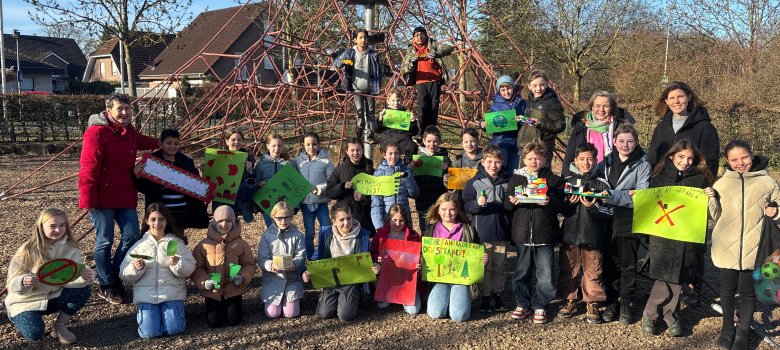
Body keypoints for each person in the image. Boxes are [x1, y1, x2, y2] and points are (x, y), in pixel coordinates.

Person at [78, 92, 160, 305]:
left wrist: (166, 143)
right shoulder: (96, 133)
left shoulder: (128, 131)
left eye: (127, 109)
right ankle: (106, 284)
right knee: (104, 240)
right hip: (102, 196)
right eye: (119, 109)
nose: (124, 113)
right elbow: (89, 167)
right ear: (108, 111)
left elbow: (143, 141)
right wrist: (87, 200)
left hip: (124, 194)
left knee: (132, 235)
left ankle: (116, 274)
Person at [708, 140, 780, 349]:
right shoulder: (721, 183)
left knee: (748, 292)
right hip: (726, 246)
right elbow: (714, 215)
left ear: (752, 155)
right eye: (734, 160)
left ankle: (744, 332)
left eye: (744, 158)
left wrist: (775, 212)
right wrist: (711, 198)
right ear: (728, 162)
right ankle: (727, 328)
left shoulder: (768, 182)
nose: (740, 163)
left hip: (754, 247)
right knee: (727, 289)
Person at [641, 140, 714, 337]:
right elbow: (650, 205)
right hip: (663, 233)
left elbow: (706, 212)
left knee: (678, 274)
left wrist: (711, 195)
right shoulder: (658, 177)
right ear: (672, 156)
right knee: (666, 273)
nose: (685, 161)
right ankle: (666, 315)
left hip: (686, 234)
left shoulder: (700, 179)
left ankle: (655, 314)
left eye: (690, 158)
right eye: (681, 157)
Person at [5, 208, 94, 344]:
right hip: (26, 300)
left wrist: (83, 275)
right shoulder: (28, 249)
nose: (58, 230)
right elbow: (11, 283)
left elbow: (71, 277)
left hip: (53, 296)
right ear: (41, 227)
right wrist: (22, 282)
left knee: (84, 290)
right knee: (35, 335)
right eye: (52, 226)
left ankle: (60, 326)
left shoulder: (71, 248)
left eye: (62, 225)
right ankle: (15, 314)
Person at [505, 141, 565, 324]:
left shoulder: (553, 180)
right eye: (530, 158)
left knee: (545, 274)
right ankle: (523, 303)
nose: (533, 162)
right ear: (524, 159)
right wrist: (512, 202)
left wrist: (551, 202)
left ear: (545, 160)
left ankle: (540, 304)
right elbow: (506, 205)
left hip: (544, 234)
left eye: (537, 158)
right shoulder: (516, 179)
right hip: (522, 234)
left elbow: (564, 205)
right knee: (521, 272)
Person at [120, 203, 196, 339]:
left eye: (161, 219)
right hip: (146, 296)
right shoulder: (139, 246)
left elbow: (190, 268)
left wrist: (178, 264)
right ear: (146, 221)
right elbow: (123, 273)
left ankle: (167, 317)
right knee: (149, 333)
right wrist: (135, 268)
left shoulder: (175, 243)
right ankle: (153, 318)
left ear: (167, 221)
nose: (157, 223)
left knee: (175, 329)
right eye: (153, 219)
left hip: (171, 294)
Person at [600, 124, 651, 324]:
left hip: (629, 220)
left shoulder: (643, 164)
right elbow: (596, 187)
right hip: (606, 219)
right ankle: (612, 300)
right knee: (610, 262)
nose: (625, 145)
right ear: (614, 142)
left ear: (636, 142)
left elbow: (641, 196)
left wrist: (611, 196)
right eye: (621, 141)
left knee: (628, 264)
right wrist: (624, 194)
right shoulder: (604, 162)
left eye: (630, 141)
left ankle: (627, 301)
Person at [557, 143, 612, 324]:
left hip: (593, 236)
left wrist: (592, 207)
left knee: (593, 270)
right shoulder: (567, 181)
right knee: (569, 268)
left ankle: (592, 301)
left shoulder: (602, 183)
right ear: (575, 161)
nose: (586, 162)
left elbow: (608, 211)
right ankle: (570, 299)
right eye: (582, 159)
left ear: (596, 160)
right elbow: (560, 209)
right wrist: (569, 204)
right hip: (570, 235)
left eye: (590, 159)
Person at [303, 205, 378, 321]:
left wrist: (375, 265)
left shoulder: (362, 235)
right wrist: (309, 270)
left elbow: (369, 257)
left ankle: (355, 298)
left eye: (348, 218)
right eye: (341, 220)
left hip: (351, 281)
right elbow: (317, 255)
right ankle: (330, 298)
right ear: (333, 222)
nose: (346, 223)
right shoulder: (327, 234)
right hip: (331, 280)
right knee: (324, 314)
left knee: (345, 316)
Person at [462, 145, 511, 313]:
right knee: (485, 265)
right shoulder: (474, 183)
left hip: (502, 231)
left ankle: (497, 294)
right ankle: (485, 296)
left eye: (497, 162)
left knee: (500, 266)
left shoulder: (508, 181)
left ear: (502, 162)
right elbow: (466, 205)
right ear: (482, 162)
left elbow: (511, 205)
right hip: (481, 232)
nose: (493, 165)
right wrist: (476, 204)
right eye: (489, 162)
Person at [424, 192, 486, 322]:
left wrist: (482, 260)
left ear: (458, 211)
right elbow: (424, 255)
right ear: (438, 211)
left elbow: (476, 253)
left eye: (452, 209)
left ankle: (456, 299)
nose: (448, 213)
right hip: (439, 278)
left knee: (459, 316)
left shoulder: (468, 230)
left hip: (461, 279)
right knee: (435, 313)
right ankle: (446, 299)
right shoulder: (430, 230)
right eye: (444, 209)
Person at [192, 205, 257, 327]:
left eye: (228, 221)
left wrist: (242, 277)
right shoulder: (204, 244)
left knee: (234, 321)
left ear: (234, 222)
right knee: (214, 322)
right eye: (220, 221)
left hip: (233, 288)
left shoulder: (241, 244)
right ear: (214, 222)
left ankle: (231, 308)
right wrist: (204, 281)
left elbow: (249, 264)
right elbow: (197, 267)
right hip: (213, 290)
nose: (224, 224)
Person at [135, 129, 209, 230]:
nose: (172, 146)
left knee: (176, 242)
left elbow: (195, 185)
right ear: (161, 143)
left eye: (176, 144)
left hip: (180, 212)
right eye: (169, 143)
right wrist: (137, 176)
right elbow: (143, 188)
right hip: (160, 212)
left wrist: (207, 191)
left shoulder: (186, 162)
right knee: (158, 240)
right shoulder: (152, 162)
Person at [646, 81, 720, 177]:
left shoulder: (705, 128)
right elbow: (653, 159)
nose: (676, 101)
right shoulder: (661, 128)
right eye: (672, 98)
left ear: (689, 97)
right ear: (666, 101)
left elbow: (710, 161)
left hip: (692, 186)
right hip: (663, 185)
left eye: (680, 97)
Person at [562, 91, 635, 178]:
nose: (601, 110)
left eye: (606, 106)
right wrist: (566, 179)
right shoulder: (581, 128)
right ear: (591, 107)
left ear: (612, 108)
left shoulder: (621, 129)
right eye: (597, 106)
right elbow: (569, 157)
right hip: (584, 177)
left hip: (613, 177)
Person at [400, 26, 454, 139]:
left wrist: (436, 53)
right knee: (422, 107)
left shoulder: (432, 44)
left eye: (421, 34)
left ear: (426, 35)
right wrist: (411, 64)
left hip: (434, 79)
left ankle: (432, 132)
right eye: (416, 35)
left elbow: (449, 48)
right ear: (413, 39)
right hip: (420, 81)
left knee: (434, 106)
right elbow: (403, 68)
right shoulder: (411, 50)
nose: (419, 37)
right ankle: (421, 133)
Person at [370, 204, 423, 314]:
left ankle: (405, 296)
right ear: (389, 219)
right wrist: (377, 260)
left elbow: (419, 256)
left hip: (407, 278)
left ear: (406, 220)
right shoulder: (381, 234)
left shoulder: (413, 236)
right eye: (394, 220)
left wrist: (418, 265)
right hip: (387, 277)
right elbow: (372, 253)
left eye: (401, 220)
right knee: (383, 305)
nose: (397, 224)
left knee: (413, 310)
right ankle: (388, 295)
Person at [258, 202, 306, 319]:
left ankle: (291, 300)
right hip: (273, 278)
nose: (283, 221)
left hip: (292, 278)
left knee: (291, 314)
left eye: (287, 217)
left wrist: (294, 264)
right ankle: (278, 301)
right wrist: (270, 266)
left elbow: (301, 256)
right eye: (279, 218)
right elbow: (262, 259)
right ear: (273, 217)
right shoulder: (267, 236)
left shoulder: (298, 235)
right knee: (272, 314)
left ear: (291, 217)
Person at [334, 29, 383, 143]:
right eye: (360, 37)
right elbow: (336, 63)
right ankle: (359, 134)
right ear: (355, 40)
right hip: (356, 89)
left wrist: (378, 85)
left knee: (371, 112)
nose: (363, 40)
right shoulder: (350, 53)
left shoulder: (373, 54)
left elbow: (378, 72)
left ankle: (370, 136)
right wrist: (344, 62)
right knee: (359, 112)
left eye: (365, 37)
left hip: (370, 89)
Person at [292, 132, 335, 259]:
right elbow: (292, 177)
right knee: (309, 232)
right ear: (303, 145)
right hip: (306, 202)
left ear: (319, 145)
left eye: (314, 144)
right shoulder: (297, 161)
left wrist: (320, 188)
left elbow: (332, 181)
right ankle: (310, 259)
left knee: (326, 229)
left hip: (321, 201)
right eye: (308, 144)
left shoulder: (326, 161)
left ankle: (326, 255)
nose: (311, 147)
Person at [324, 137, 376, 235]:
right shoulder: (339, 170)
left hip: (365, 216)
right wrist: (342, 186)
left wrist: (364, 198)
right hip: (345, 218)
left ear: (362, 150)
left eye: (358, 150)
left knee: (364, 244)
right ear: (347, 152)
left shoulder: (369, 169)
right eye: (352, 150)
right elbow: (329, 192)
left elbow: (377, 192)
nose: (355, 153)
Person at [519, 70, 566, 165]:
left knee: (540, 177)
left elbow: (560, 125)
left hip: (543, 147)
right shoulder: (529, 101)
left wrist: (541, 124)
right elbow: (531, 122)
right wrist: (523, 119)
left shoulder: (552, 103)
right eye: (534, 85)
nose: (538, 88)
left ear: (547, 84)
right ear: (529, 86)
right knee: (524, 175)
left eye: (542, 85)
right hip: (527, 146)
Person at [370, 142, 420, 230]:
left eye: (396, 153)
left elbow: (414, 194)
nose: (393, 156)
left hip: (403, 219)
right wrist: (379, 225)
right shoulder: (379, 174)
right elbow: (376, 202)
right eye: (390, 153)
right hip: (387, 219)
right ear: (384, 155)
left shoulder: (406, 171)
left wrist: (406, 177)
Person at [410, 126, 451, 231]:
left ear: (440, 142)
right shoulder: (417, 157)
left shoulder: (445, 158)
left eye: (435, 142)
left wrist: (446, 170)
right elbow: (411, 182)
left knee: (440, 230)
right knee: (425, 231)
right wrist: (410, 169)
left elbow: (450, 183)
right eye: (429, 141)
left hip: (439, 201)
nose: (432, 144)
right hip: (422, 201)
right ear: (423, 140)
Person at [482, 75, 526, 172]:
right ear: (499, 91)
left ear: (513, 88)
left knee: (514, 170)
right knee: (500, 169)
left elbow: (528, 119)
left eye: (509, 88)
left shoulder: (522, 104)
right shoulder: (495, 106)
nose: (506, 92)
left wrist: (523, 119)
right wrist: (482, 125)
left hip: (517, 143)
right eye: (503, 89)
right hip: (501, 142)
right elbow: (488, 121)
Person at [220, 127, 257, 223]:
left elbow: (251, 179)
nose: (236, 142)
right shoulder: (219, 156)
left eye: (239, 140)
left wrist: (249, 168)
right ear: (227, 141)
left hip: (242, 192)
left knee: (249, 185)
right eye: (233, 139)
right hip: (225, 192)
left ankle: (244, 207)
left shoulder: (247, 156)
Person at [255, 133, 290, 227]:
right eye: (273, 145)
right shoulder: (261, 165)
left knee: (284, 227)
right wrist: (260, 184)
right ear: (267, 146)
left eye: (279, 146)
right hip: (267, 204)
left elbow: (291, 183)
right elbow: (256, 183)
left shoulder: (287, 165)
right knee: (271, 228)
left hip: (283, 204)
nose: (277, 148)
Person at [377, 89, 419, 164]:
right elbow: (377, 130)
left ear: (402, 101)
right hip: (387, 138)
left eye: (398, 100)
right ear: (388, 101)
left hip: (403, 139)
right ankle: (385, 167)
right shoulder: (385, 113)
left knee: (412, 146)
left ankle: (407, 166)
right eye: (393, 100)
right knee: (388, 149)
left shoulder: (406, 114)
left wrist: (413, 122)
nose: (396, 103)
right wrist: (380, 120)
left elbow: (414, 132)